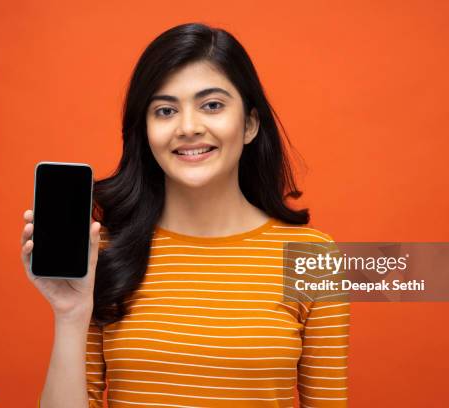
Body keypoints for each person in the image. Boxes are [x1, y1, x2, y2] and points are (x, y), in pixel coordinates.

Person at [21, 22, 349, 408]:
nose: (188, 128)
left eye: (212, 105)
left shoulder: (313, 257)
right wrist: (70, 314)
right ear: (145, 131)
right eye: (165, 110)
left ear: (249, 124)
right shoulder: (104, 251)